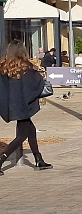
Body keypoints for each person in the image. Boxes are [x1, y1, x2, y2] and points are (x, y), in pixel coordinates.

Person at [0, 43, 52, 173]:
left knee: (31, 130)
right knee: (22, 135)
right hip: (23, 105)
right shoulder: (26, 67)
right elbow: (36, 83)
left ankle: (38, 159)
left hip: (11, 105)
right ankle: (1, 160)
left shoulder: (3, 67)